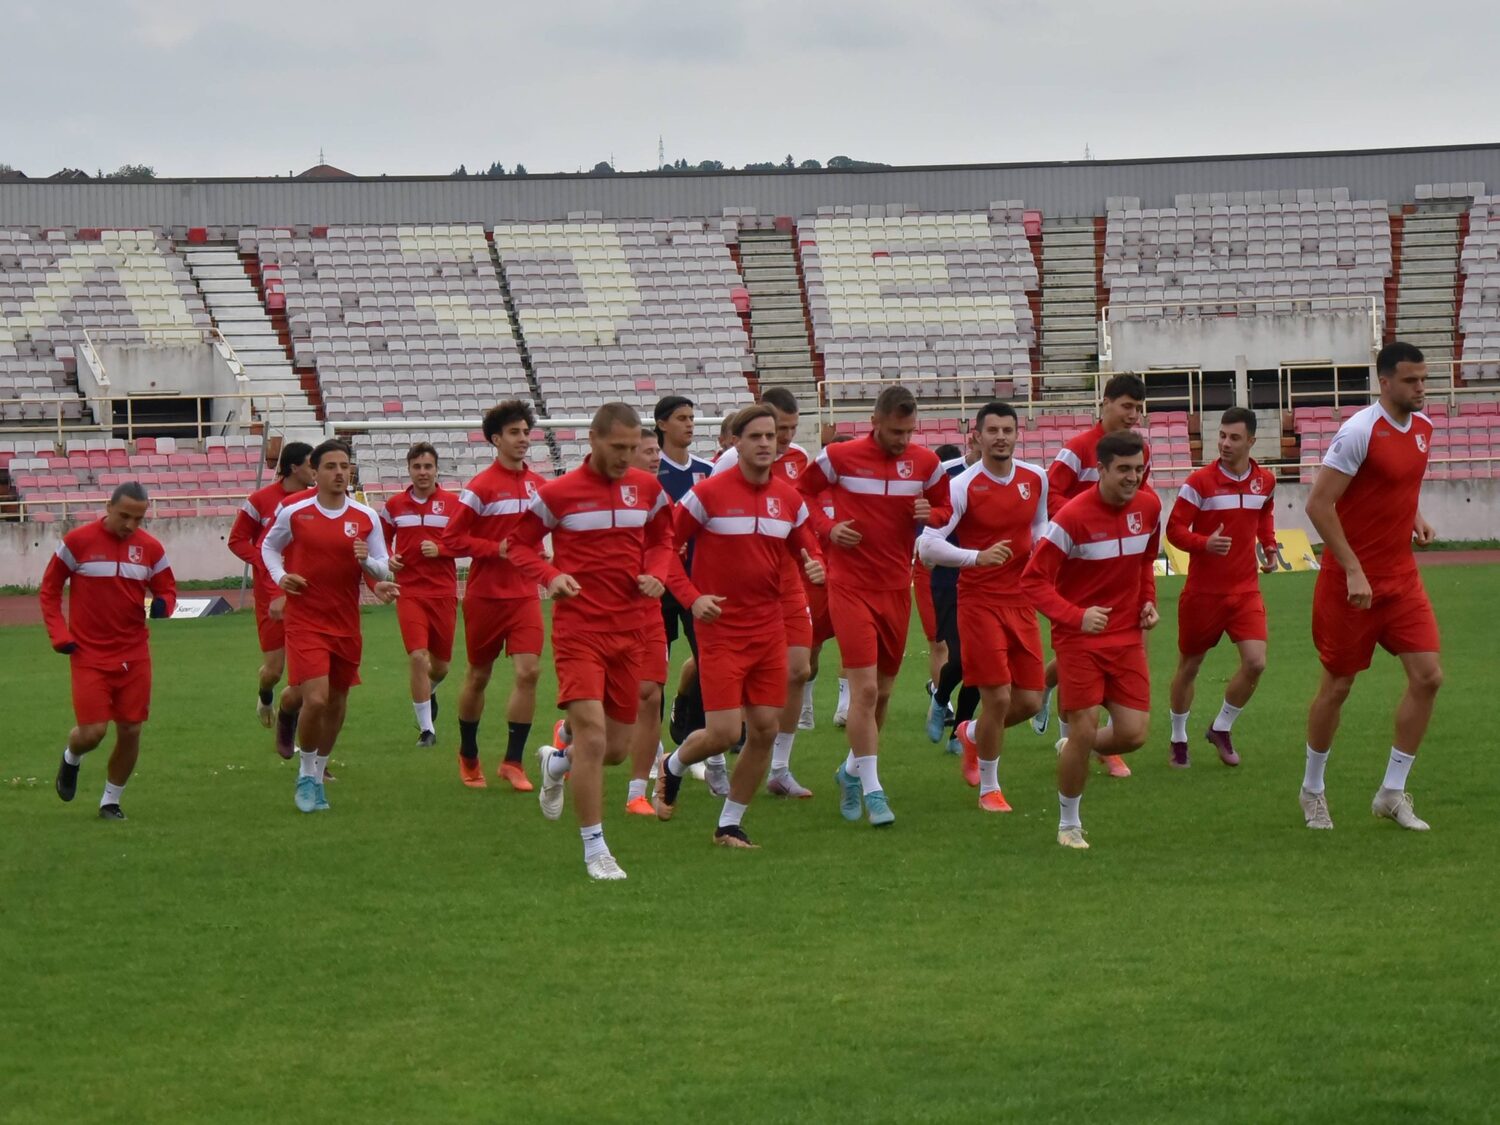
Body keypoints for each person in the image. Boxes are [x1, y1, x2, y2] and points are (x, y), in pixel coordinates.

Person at [507, 402, 677, 880]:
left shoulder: (648, 489)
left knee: (616, 750)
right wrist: (551, 576)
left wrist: (656, 572)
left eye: (633, 447)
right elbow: (517, 545)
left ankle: (557, 763)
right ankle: (595, 849)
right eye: (618, 446)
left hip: (631, 630)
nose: (626, 456)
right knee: (595, 738)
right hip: (579, 630)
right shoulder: (558, 493)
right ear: (593, 440)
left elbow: (663, 539)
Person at [655, 405, 826, 844]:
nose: (766, 443)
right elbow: (664, 548)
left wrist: (815, 564)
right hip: (722, 630)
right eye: (756, 436)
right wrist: (692, 598)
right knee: (725, 732)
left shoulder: (789, 499)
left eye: (771, 436)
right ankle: (673, 764)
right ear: (735, 442)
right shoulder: (707, 494)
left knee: (765, 729)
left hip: (769, 628)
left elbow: (807, 546)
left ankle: (729, 823)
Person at [1299, 341, 1441, 832]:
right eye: (1410, 380)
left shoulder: (1423, 428)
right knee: (1337, 686)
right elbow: (1318, 505)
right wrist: (1353, 568)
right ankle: (1312, 789)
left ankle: (1392, 793)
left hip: (1401, 579)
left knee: (1429, 677)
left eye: (1423, 379)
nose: (1420, 388)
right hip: (1350, 583)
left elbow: (1397, 485)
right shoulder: (1359, 431)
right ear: (1384, 382)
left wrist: (1415, 516)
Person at [798, 384, 951, 827]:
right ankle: (873, 791)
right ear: (874, 422)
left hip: (895, 588)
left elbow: (946, 508)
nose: (902, 440)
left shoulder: (926, 463)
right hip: (849, 586)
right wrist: (828, 529)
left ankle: (850, 772)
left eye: (908, 432)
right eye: (894, 431)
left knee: (882, 694)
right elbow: (802, 493)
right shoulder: (840, 456)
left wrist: (931, 516)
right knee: (864, 691)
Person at [1023, 430, 1160, 849]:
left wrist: (1148, 602)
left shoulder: (1150, 507)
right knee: (1085, 726)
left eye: (1139, 469)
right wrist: (1077, 616)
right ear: (1100, 469)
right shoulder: (1072, 518)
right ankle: (1069, 824)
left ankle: (1075, 747)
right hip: (1078, 641)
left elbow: (1145, 561)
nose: (1133, 477)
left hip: (1127, 638)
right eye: (1124, 469)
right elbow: (1033, 581)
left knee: (1133, 734)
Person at [919, 404, 1048, 811]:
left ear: (1017, 434)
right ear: (977, 436)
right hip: (979, 602)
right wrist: (977, 557)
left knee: (1030, 701)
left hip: (1021, 600)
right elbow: (927, 546)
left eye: (1007, 430)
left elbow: (1039, 523)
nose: (1001, 437)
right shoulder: (962, 485)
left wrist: (1041, 547)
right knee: (998, 697)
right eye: (992, 430)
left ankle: (971, 732)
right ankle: (989, 788)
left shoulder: (1036, 478)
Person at [261, 439, 398, 814]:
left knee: (337, 701)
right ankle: (306, 774)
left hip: (346, 621)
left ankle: (319, 772)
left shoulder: (365, 517)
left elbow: (383, 566)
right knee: (317, 699)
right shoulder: (295, 511)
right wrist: (281, 577)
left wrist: (371, 568)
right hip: (306, 619)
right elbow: (268, 548)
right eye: (331, 466)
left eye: (345, 466)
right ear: (315, 472)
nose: (340, 472)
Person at [1031, 373, 1151, 781]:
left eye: (1138, 408)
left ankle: (1096, 740)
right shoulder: (1076, 449)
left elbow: (1140, 503)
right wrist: (1087, 520)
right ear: (1106, 403)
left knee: (1125, 643)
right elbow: (1051, 495)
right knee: (1081, 644)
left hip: (1117, 565)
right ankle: (1081, 740)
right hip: (1077, 558)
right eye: (1127, 406)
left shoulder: (1138, 451)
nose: (1133, 415)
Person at [44, 482, 176, 820]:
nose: (130, 525)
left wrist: (164, 604)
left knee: (131, 729)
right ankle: (72, 756)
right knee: (93, 732)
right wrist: (59, 634)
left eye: (138, 518)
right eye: (124, 516)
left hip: (134, 653)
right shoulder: (77, 542)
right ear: (108, 507)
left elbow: (167, 589)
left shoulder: (151, 548)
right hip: (88, 654)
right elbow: (49, 590)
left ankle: (110, 802)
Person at [712, 386, 819, 797]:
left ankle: (779, 767)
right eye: (779, 428)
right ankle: (715, 752)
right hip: (740, 586)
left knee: (800, 669)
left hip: (787, 581)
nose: (785, 437)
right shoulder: (729, 462)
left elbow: (802, 514)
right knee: (732, 672)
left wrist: (814, 556)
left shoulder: (799, 459)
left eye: (790, 429)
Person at [444, 401, 548, 791]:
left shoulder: (541, 485)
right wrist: (495, 549)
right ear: (495, 439)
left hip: (525, 596)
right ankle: (468, 754)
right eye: (514, 433)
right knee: (478, 676)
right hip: (485, 596)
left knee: (529, 672)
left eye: (526, 432)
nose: (523, 439)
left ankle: (513, 761)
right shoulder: (480, 487)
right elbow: (451, 539)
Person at [1165, 407, 1278, 768]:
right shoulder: (1199, 482)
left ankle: (1221, 727)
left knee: (1256, 663)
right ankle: (1178, 737)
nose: (1225, 443)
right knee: (1190, 666)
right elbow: (1174, 530)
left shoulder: (1265, 481)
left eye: (1234, 438)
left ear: (1251, 441)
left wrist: (1270, 546)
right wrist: (1204, 544)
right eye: (1222, 436)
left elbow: (1264, 514)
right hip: (1203, 594)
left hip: (1245, 591)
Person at [226, 440, 314, 756]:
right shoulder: (260, 500)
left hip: (307, 594)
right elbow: (237, 540)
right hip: (271, 596)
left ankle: (305, 748)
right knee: (274, 671)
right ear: (294, 467)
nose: (316, 470)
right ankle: (265, 695)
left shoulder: (317, 501)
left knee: (307, 676)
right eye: (311, 463)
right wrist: (265, 564)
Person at [653, 394, 718, 788]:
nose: (690, 424)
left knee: (710, 664)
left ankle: (691, 744)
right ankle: (652, 749)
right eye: (681, 418)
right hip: (656, 585)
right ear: (662, 424)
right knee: (651, 673)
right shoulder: (650, 470)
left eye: (692, 417)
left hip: (697, 584)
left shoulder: (707, 472)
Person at [380, 442, 461, 747]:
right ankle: (427, 730)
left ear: (437, 470)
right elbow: (380, 540)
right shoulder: (394, 506)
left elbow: (467, 542)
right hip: (409, 591)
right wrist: (388, 558)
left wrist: (442, 549)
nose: (423, 472)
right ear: (409, 470)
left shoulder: (454, 504)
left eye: (428, 466)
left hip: (443, 592)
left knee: (440, 667)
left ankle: (430, 691)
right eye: (417, 467)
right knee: (417, 656)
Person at [623, 427, 678, 816]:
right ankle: (566, 740)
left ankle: (636, 792)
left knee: (650, 694)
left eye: (657, 450)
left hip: (647, 610)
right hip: (602, 615)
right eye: (647, 451)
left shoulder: (660, 498)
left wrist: (657, 574)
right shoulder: (604, 497)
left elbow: (666, 543)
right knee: (605, 710)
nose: (656, 457)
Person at [924, 439, 975, 751]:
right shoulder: (947, 474)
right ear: (975, 438)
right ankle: (941, 697)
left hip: (988, 583)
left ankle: (960, 732)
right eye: (991, 431)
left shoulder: (1015, 478)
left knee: (981, 663)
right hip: (949, 580)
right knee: (960, 657)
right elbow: (926, 524)